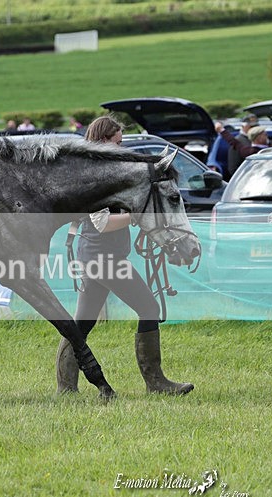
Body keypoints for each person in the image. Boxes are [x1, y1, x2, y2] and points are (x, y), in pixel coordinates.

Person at [55, 115, 193, 396]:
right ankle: (156, 383)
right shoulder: (97, 176)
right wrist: (137, 217)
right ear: (104, 140)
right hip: (104, 258)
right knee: (148, 309)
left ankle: (66, 387)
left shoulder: (104, 172)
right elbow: (101, 223)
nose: (121, 147)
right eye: (117, 142)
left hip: (96, 256)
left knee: (83, 322)